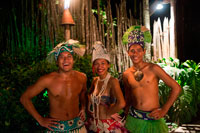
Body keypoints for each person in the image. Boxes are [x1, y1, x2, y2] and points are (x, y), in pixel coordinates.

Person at [122, 25, 182, 133]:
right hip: (133, 118)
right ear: (128, 52)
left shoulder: (153, 68)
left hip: (153, 119)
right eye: (132, 50)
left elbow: (176, 88)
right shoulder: (126, 74)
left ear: (144, 52)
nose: (135, 54)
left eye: (139, 50)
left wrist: (164, 110)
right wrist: (126, 113)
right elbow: (128, 96)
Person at [20, 40, 87, 132]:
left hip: (78, 126)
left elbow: (83, 92)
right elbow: (24, 98)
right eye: (61, 57)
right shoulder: (47, 80)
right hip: (56, 129)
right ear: (57, 61)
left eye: (69, 56)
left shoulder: (82, 77)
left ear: (73, 60)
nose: (66, 60)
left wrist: (83, 107)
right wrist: (40, 119)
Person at [86, 41, 127, 133]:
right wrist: (90, 111)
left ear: (108, 65)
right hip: (94, 123)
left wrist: (109, 112)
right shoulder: (95, 81)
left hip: (107, 125)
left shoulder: (113, 81)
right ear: (93, 66)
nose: (100, 66)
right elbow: (89, 97)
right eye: (96, 63)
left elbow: (121, 103)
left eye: (103, 63)